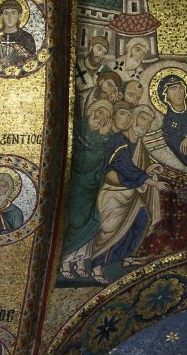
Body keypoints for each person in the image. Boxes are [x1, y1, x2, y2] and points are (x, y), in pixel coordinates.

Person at [70, 106, 168, 282]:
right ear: (134, 119)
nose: (146, 125)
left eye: (149, 122)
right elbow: (125, 168)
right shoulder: (118, 140)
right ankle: (97, 266)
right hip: (113, 193)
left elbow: (138, 169)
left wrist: (151, 171)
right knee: (109, 229)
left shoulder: (140, 145)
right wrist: (153, 182)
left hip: (130, 193)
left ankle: (124, 256)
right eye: (143, 119)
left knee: (142, 218)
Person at [62, 99, 114, 275]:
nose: (100, 119)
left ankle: (80, 261)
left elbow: (102, 162)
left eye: (105, 117)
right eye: (99, 113)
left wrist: (103, 137)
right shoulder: (77, 129)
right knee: (77, 222)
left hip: (92, 186)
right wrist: (100, 139)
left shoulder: (103, 136)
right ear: (92, 111)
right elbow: (82, 164)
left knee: (92, 221)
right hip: (78, 186)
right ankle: (65, 261)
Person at [0, 0, 37, 67]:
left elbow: (31, 62)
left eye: (13, 13)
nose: (10, 17)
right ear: (1, 16)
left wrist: (15, 62)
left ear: (19, 15)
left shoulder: (26, 38)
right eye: (6, 13)